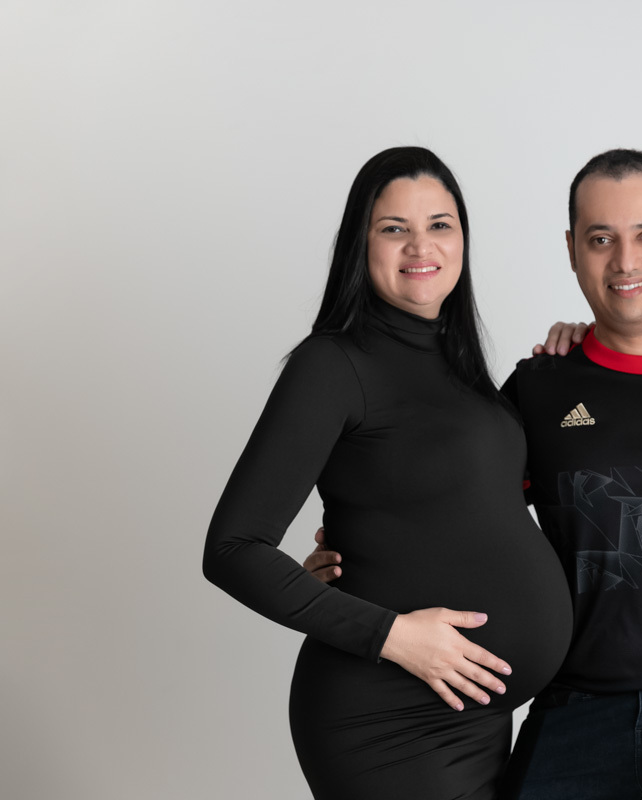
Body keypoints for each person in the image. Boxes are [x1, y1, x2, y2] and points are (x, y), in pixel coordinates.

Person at [306, 149, 642, 799]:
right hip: (578, 706)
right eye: (601, 239)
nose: (625, 261)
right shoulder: (536, 388)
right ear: (572, 250)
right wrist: (358, 567)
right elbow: (452, 519)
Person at [203, 147, 573, 800]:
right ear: (361, 243)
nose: (420, 246)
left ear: (462, 240)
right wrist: (392, 635)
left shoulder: (459, 365)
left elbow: (461, 506)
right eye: (394, 228)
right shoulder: (332, 364)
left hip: (474, 714)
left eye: (439, 225)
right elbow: (232, 549)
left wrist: (577, 352)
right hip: (386, 721)